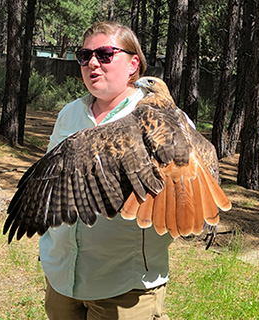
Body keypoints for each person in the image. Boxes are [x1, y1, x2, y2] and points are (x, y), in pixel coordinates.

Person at [42, 21, 171, 319]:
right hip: (62, 278)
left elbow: (186, 197)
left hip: (124, 288)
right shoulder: (70, 114)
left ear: (133, 64)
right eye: (84, 56)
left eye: (105, 54)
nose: (92, 63)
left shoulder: (161, 118)